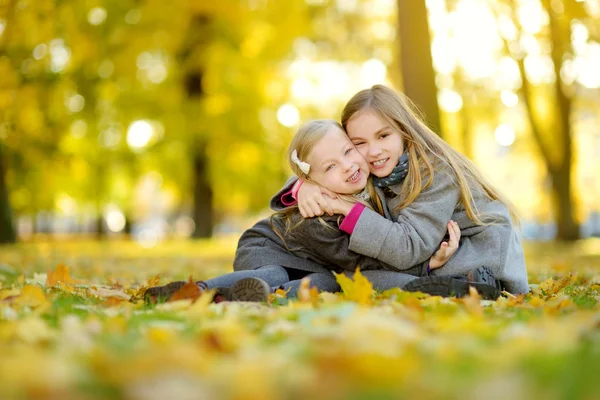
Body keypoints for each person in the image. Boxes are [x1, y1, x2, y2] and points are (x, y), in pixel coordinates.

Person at [145, 120, 472, 304]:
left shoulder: (365, 179)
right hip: (266, 250)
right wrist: (426, 265)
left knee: (324, 283)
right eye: (331, 166)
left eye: (348, 151)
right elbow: (359, 263)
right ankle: (197, 290)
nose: (348, 166)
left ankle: (245, 297)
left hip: (315, 264)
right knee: (279, 274)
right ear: (311, 180)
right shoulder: (315, 218)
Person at [287, 85, 529, 294]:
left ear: (404, 131)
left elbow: (407, 249)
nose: (373, 151)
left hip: (480, 259)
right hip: (432, 257)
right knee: (357, 275)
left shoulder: (435, 173)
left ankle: (465, 286)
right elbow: (325, 161)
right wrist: (305, 185)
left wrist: (343, 207)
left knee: (356, 279)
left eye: (383, 136)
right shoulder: (376, 168)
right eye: (359, 143)